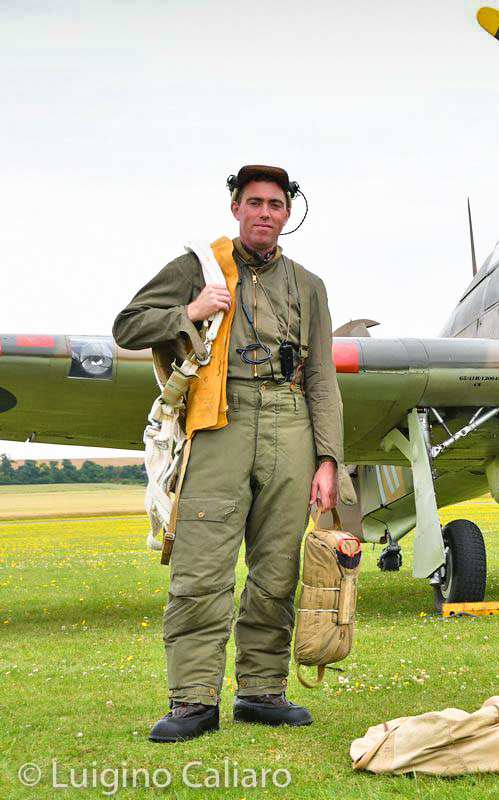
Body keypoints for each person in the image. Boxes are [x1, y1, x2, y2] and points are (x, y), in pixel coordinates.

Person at [113, 165, 343, 742]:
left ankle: (261, 691)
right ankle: (192, 700)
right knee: (201, 566)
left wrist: (328, 459)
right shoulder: (199, 266)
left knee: (277, 569)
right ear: (236, 209)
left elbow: (321, 377)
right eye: (254, 203)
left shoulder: (309, 285)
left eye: (275, 204)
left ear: (288, 213)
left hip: (291, 423)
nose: (265, 213)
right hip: (219, 420)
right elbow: (128, 325)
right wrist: (189, 312)